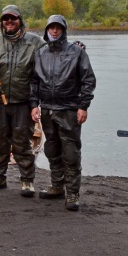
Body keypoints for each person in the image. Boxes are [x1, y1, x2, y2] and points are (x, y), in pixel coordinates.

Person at [0, 5, 44, 197]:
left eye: (13, 18)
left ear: (20, 20)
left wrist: (76, 48)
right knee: (0, 141)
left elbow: (51, 60)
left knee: (22, 141)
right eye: (5, 19)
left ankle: (27, 181)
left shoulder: (36, 43)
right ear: (2, 22)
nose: (9, 22)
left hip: (23, 101)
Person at [30, 15, 96, 211]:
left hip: (69, 109)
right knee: (52, 149)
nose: (55, 31)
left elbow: (88, 80)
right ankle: (57, 186)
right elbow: (34, 81)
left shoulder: (77, 52)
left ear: (64, 29)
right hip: (47, 109)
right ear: (47, 30)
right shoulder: (40, 53)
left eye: (58, 27)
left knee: (71, 152)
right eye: (52, 28)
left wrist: (83, 106)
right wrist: (34, 104)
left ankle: (72, 193)